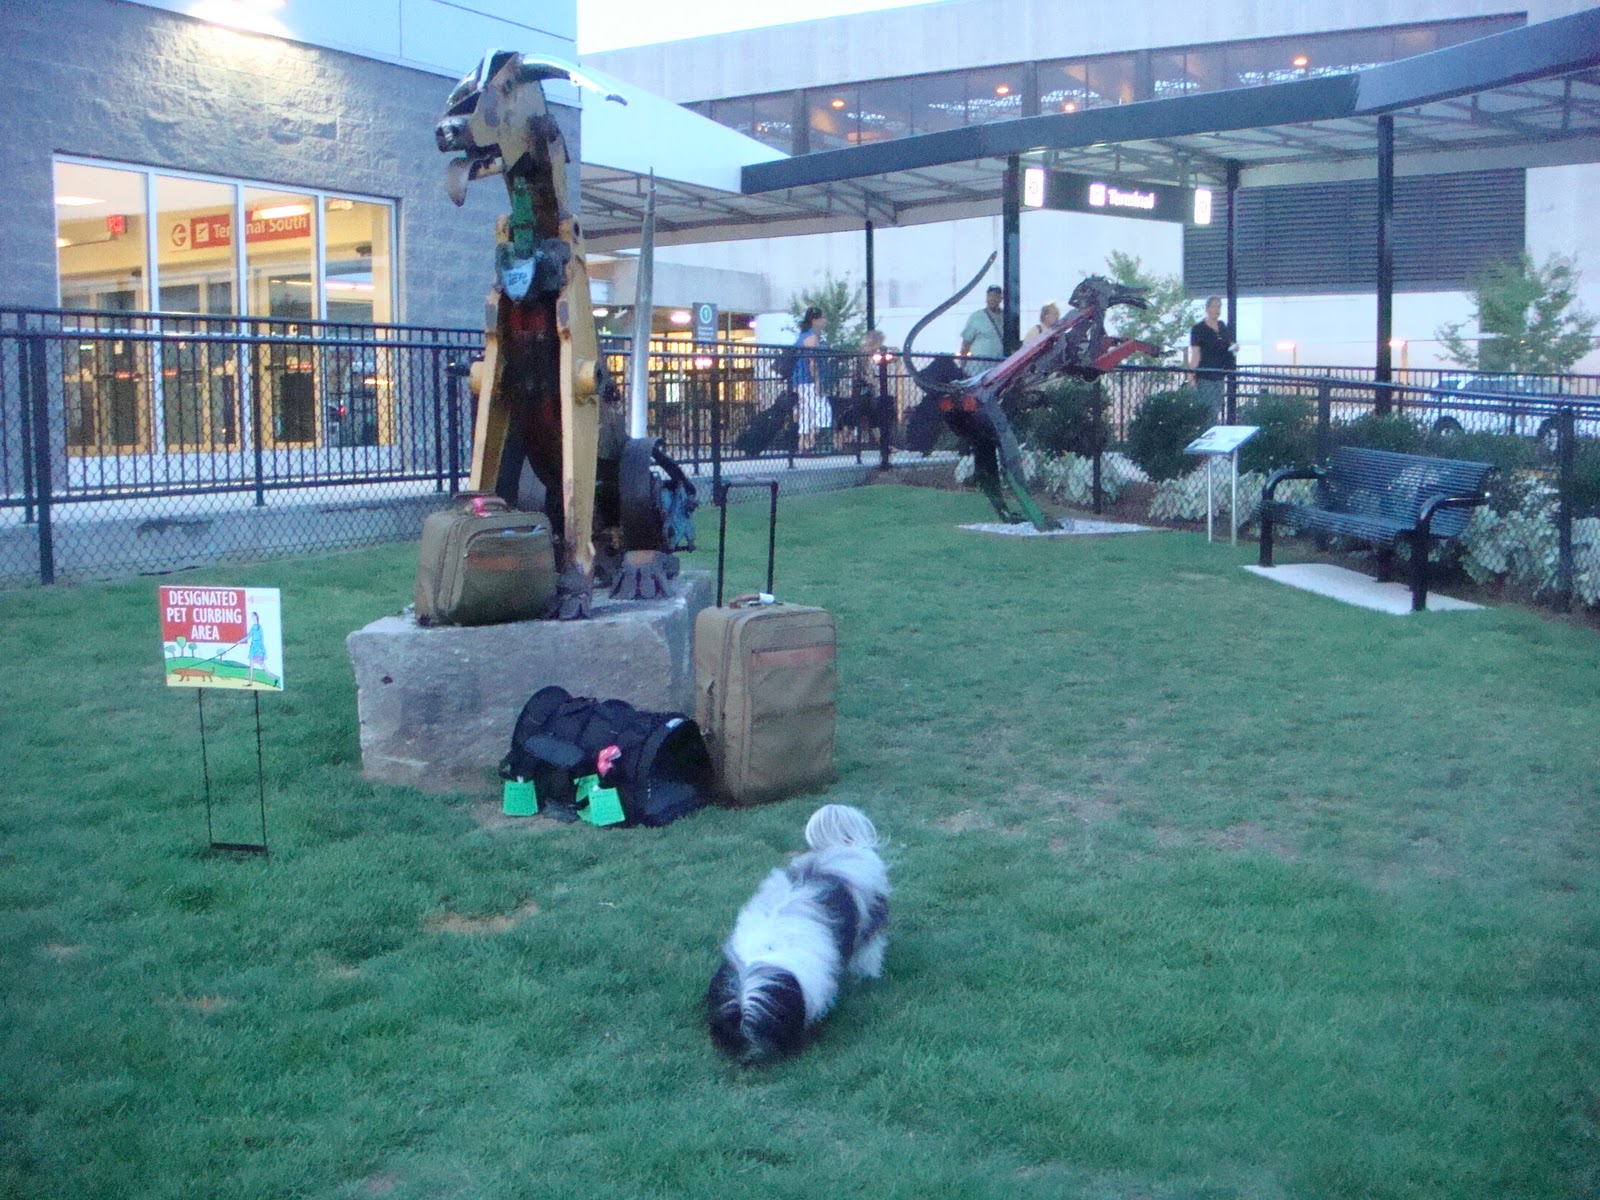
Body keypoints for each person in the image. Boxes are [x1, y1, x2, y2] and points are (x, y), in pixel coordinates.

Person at [1187, 296, 1237, 417]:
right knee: (1208, 409)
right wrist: (1191, 375)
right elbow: (1196, 354)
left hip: (1220, 374)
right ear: (1208, 308)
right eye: (1214, 306)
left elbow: (1229, 344)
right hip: (1205, 375)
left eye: (1219, 306)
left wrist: (1234, 347)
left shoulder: (1222, 327)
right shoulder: (1199, 329)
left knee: (1217, 407)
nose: (1216, 309)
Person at [791, 305, 828, 451]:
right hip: (809, 380)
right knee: (821, 409)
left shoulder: (802, 336)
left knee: (806, 410)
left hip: (799, 379)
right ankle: (811, 441)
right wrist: (817, 381)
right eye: (822, 318)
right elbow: (812, 361)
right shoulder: (812, 338)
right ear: (815, 320)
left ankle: (803, 443)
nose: (824, 320)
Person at [959, 284, 1005, 361]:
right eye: (990, 296)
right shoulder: (976, 317)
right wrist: (962, 362)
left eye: (996, 296)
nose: (993, 299)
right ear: (986, 298)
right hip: (979, 367)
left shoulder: (1007, 317)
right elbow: (966, 343)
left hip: (1000, 367)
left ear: (1001, 299)